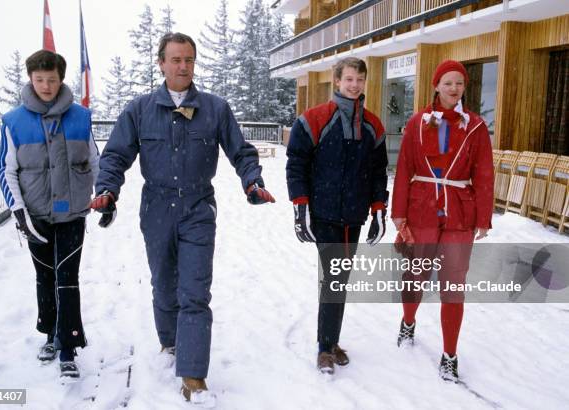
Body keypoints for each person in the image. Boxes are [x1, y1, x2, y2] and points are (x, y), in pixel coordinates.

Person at [91, 32, 274, 406]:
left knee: (194, 289)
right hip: (156, 206)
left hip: (198, 208)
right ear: (161, 63)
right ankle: (170, 342)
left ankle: (193, 374)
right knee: (164, 282)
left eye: (189, 59)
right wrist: (108, 190)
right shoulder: (139, 110)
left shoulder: (215, 108)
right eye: (175, 59)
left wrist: (252, 182)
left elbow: (241, 151)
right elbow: (115, 155)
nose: (183, 66)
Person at [0, 50, 99, 380]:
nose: (45, 85)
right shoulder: (13, 122)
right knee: (45, 277)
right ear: (30, 79)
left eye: (51, 80)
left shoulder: (81, 117)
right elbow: (6, 169)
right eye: (39, 80)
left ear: (61, 80)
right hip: (36, 215)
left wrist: (106, 197)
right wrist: (19, 213)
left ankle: (68, 345)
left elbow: (95, 160)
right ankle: (49, 334)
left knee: (67, 277)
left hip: (72, 213)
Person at [391, 60, 494, 382]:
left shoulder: (475, 126)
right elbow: (405, 167)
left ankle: (450, 354)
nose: (454, 88)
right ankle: (408, 320)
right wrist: (399, 213)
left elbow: (484, 173)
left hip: (460, 214)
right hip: (422, 208)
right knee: (415, 275)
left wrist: (483, 218)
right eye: (448, 82)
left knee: (454, 286)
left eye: (459, 83)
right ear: (436, 85)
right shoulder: (418, 123)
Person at [286, 57, 389, 375]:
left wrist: (379, 210)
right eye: (348, 79)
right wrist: (300, 205)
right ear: (337, 81)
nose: (354, 85)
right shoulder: (314, 119)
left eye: (359, 79)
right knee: (335, 277)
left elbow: (377, 172)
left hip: (354, 216)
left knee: (340, 278)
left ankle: (330, 342)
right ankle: (324, 348)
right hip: (324, 212)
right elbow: (296, 163)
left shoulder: (373, 124)